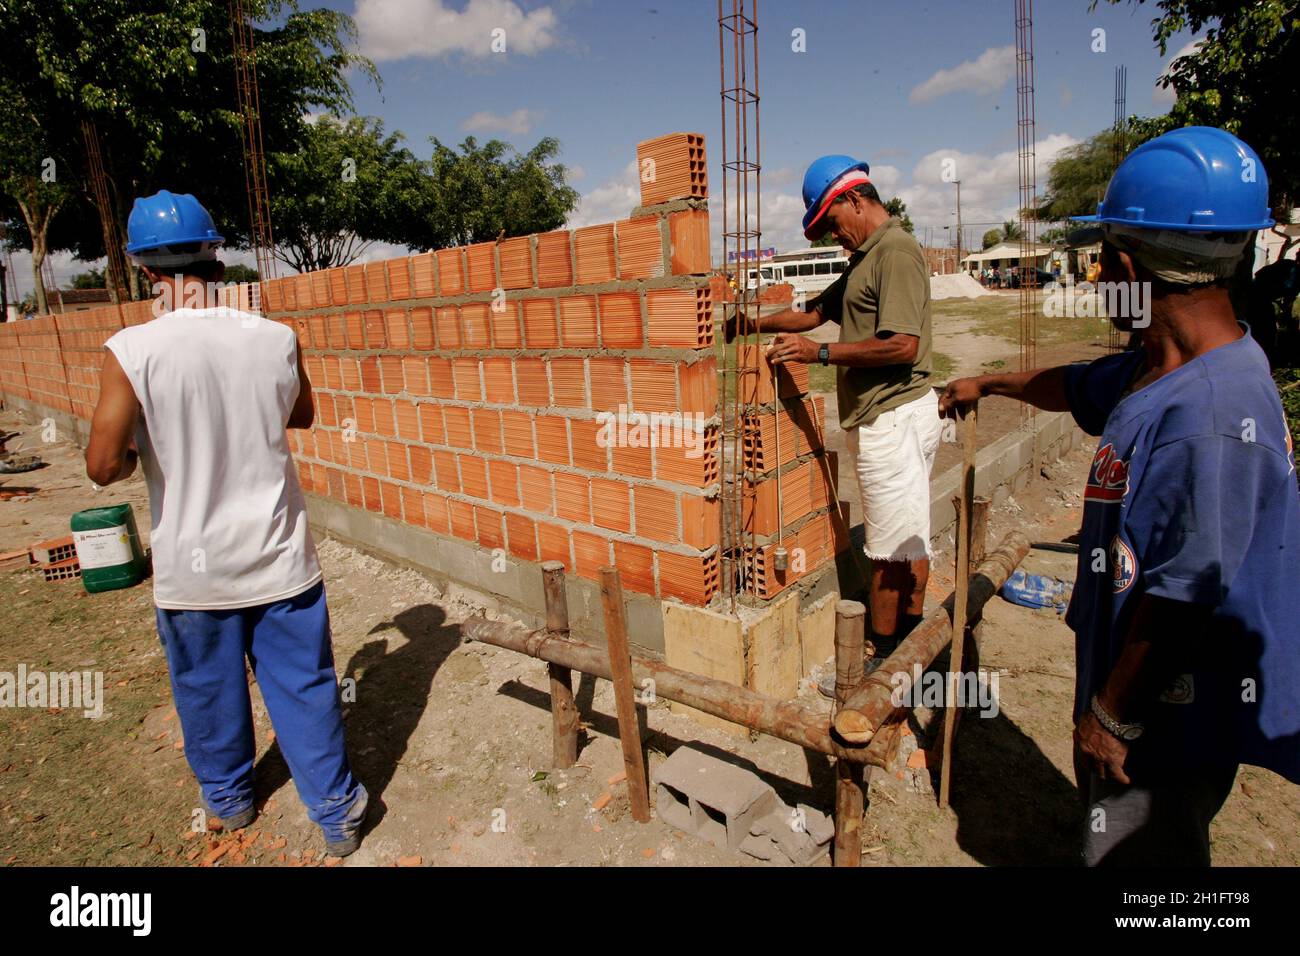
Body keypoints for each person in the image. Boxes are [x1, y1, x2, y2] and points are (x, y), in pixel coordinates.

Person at [940, 127, 1300, 865]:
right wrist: (993, 381)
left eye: (1101, 261)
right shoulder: (1159, 369)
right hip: (1134, 687)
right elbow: (1077, 386)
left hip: (1165, 717)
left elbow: (1185, 595)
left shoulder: (1211, 417)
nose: (1097, 280)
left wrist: (1111, 715)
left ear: (1126, 264)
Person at [85, 190, 369, 857]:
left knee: (206, 689)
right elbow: (300, 416)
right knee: (304, 683)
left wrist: (138, 451)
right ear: (216, 258)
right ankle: (336, 812)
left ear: (144, 269)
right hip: (279, 560)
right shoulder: (273, 337)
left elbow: (102, 466)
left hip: (194, 573)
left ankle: (230, 800)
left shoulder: (131, 350)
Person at [727, 155, 942, 682]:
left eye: (831, 223)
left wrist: (816, 355)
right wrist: (747, 322)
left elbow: (902, 346)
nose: (831, 235)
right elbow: (814, 313)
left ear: (854, 200)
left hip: (894, 419)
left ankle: (885, 663)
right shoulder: (865, 258)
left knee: (891, 553)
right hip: (886, 419)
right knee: (908, 536)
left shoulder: (896, 253)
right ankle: (908, 645)